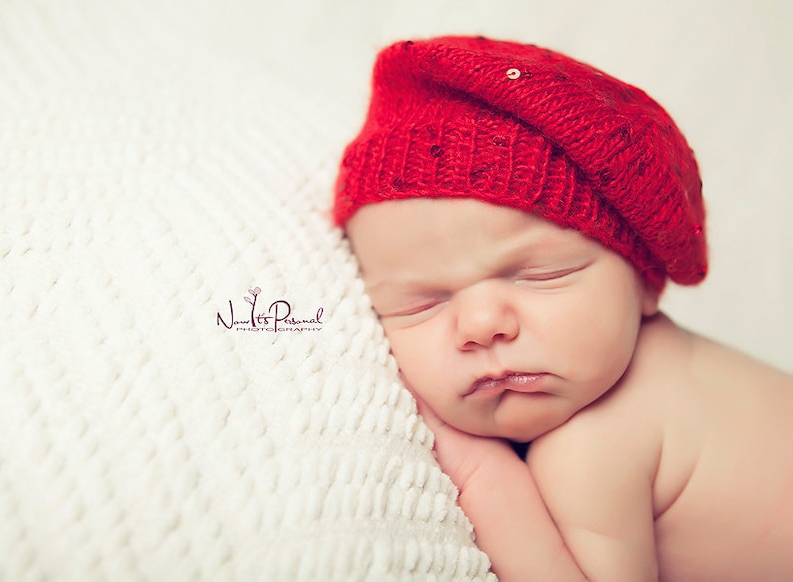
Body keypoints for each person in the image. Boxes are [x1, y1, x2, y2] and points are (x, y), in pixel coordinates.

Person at [333, 35, 793, 581]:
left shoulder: (592, 445)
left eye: (541, 275)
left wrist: (476, 470)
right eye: (420, 303)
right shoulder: (682, 367)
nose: (480, 326)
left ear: (646, 280)